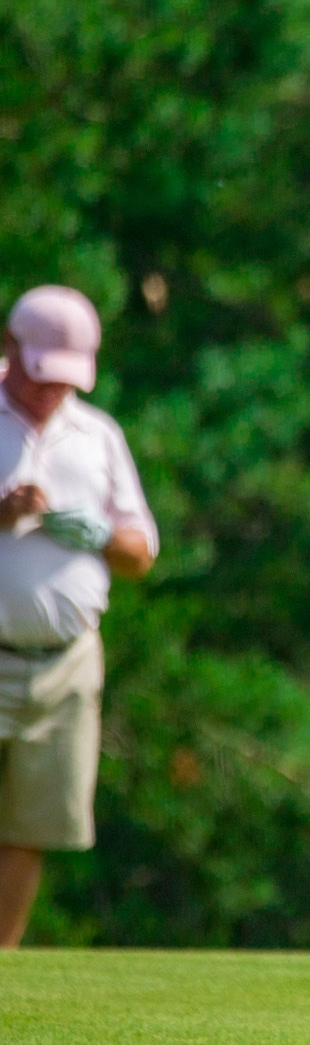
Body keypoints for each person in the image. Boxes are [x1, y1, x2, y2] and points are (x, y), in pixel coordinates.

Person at [0, 287, 157, 949]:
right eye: (41, 378)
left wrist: (94, 533)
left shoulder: (97, 435)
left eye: (64, 381)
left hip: (65, 665)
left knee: (30, 828)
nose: (51, 394)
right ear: (12, 351)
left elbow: (140, 551)